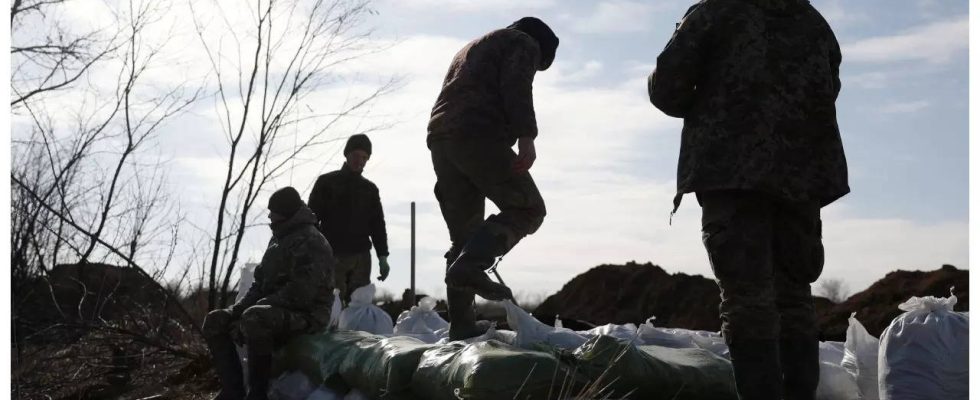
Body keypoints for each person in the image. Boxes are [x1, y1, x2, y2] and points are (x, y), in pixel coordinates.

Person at [648, 1, 849, 399]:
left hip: (732, 173)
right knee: (794, 296)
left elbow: (667, 89)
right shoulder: (812, 21)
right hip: (802, 177)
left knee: (747, 297)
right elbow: (830, 88)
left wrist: (716, 106)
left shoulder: (713, 13)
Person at [427, 17, 558, 340]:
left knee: (464, 236)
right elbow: (516, 84)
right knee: (528, 209)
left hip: (442, 140)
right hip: (479, 134)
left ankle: (461, 326)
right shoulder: (523, 43)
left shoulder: (471, 48)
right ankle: (472, 266)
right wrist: (527, 135)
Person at [202, 187, 335, 400]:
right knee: (216, 319)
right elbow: (259, 284)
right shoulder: (278, 240)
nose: (269, 217)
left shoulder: (312, 241)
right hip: (275, 308)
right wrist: (237, 311)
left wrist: (254, 310)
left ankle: (258, 394)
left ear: (286, 213)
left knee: (254, 318)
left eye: (274, 212)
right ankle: (233, 391)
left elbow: (301, 294)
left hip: (309, 315)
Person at [308, 134, 390, 306]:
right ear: (347, 155)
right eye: (355, 155)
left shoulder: (370, 190)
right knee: (331, 305)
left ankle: (355, 334)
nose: (359, 161)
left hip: (360, 258)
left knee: (359, 308)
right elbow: (312, 221)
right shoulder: (327, 183)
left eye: (364, 157)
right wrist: (313, 252)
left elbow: (377, 225)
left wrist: (382, 256)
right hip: (332, 255)